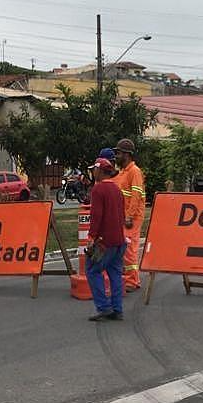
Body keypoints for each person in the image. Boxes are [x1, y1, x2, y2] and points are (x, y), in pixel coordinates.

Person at [86, 158, 126, 322]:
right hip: (119, 240)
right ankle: (117, 309)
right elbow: (122, 216)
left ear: (99, 170)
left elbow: (96, 217)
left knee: (93, 271)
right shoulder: (117, 189)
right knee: (115, 273)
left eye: (94, 170)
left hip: (104, 242)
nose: (92, 173)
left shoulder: (98, 190)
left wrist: (91, 237)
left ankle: (104, 307)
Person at [112, 138, 146, 292]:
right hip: (123, 216)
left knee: (128, 248)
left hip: (132, 217)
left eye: (118, 153)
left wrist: (129, 216)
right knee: (122, 247)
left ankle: (133, 281)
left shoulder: (134, 171)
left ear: (126, 154)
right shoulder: (123, 172)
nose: (116, 156)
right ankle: (127, 278)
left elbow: (136, 195)